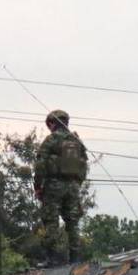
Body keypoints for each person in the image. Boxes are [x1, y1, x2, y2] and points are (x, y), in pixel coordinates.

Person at [34, 109, 88, 265]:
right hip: (73, 187)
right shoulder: (77, 142)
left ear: (52, 123)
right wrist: (77, 184)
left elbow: (40, 165)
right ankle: (75, 259)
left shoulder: (51, 140)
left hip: (53, 186)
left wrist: (38, 186)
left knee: (51, 221)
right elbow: (83, 165)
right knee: (73, 222)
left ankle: (52, 259)